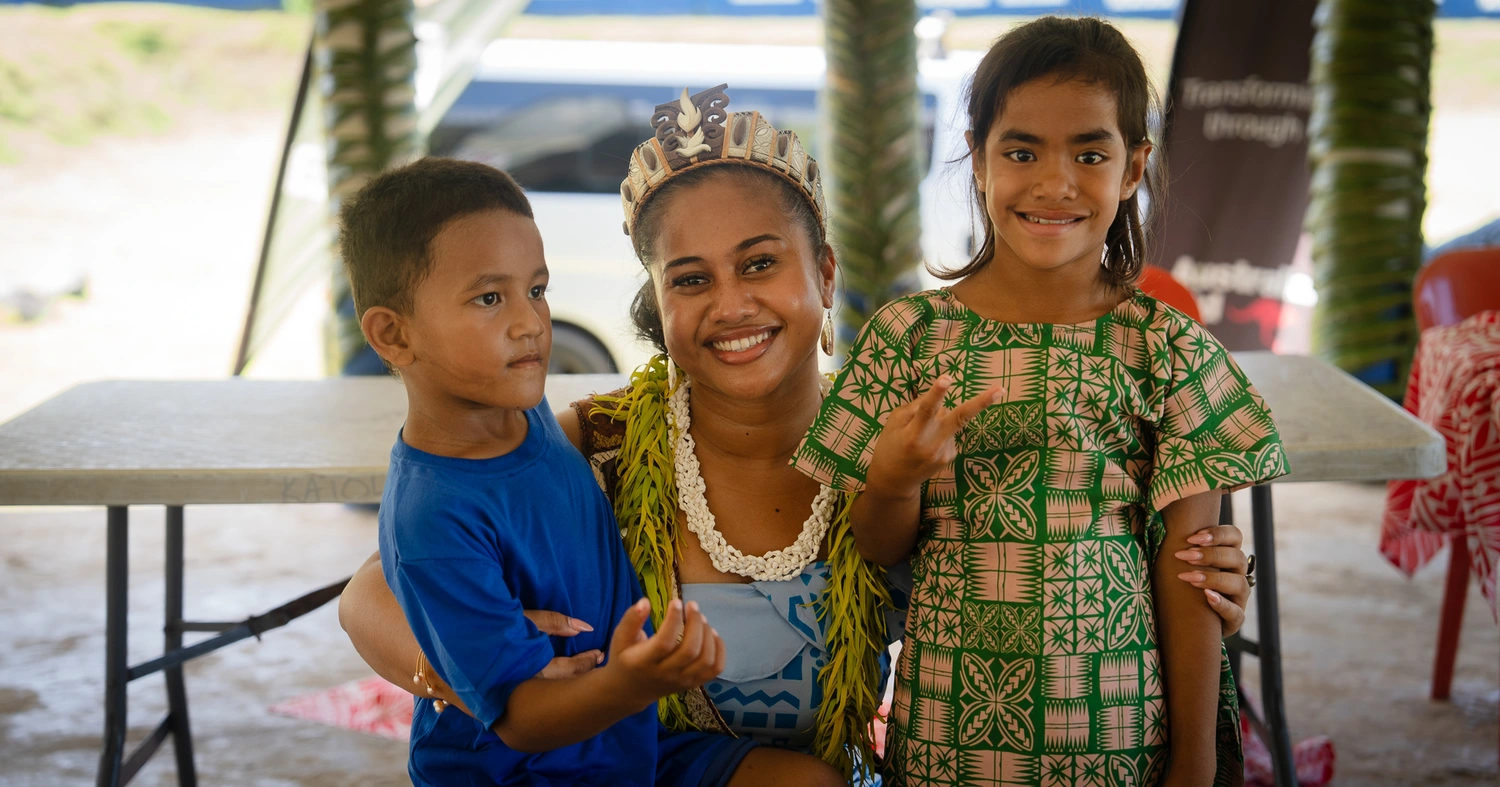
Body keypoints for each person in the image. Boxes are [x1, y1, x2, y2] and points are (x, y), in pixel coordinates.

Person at [338, 85, 1258, 784]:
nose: (731, 304)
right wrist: (470, 668)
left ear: (824, 274)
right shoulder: (607, 439)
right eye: (690, 279)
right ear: (657, 305)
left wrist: (1194, 566)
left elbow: (1057, 548)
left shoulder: (908, 438)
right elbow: (367, 594)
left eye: (761, 263)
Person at [790, 17, 1287, 786]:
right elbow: (879, 546)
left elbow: (1192, 572)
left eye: (1089, 153)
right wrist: (893, 477)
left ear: (1134, 167)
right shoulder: (907, 339)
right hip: (946, 740)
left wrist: (1193, 762)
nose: (1054, 183)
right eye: (1021, 152)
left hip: (1120, 743)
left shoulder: (1167, 348)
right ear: (978, 159)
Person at [342, 157, 761, 786]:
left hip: (625, 744)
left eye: (536, 290)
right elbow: (521, 722)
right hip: (517, 770)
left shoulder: (525, 413)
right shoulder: (434, 516)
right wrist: (630, 683)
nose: (530, 324)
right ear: (393, 335)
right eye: (489, 298)